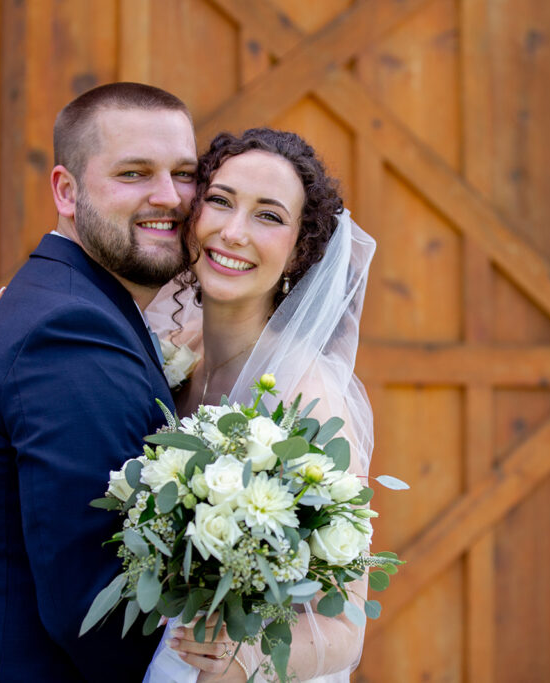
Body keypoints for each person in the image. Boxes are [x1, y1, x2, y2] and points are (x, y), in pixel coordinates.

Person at [0, 82, 198, 682]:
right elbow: (97, 607)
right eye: (134, 173)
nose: (169, 197)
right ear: (66, 191)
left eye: (184, 173)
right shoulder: (68, 332)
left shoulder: (78, 306)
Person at [143, 128, 376, 682]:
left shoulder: (309, 397)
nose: (233, 231)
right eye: (220, 202)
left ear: (299, 250)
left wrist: (247, 658)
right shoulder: (175, 351)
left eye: (268, 216)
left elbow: (345, 629)